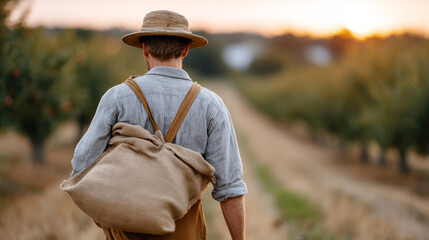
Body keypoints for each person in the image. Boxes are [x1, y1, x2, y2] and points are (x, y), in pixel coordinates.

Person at [70, 10, 247, 240]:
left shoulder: (117, 98)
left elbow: (81, 164)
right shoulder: (210, 105)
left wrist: (102, 210)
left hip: (126, 229)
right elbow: (230, 188)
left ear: (144, 48)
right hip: (184, 230)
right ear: (185, 50)